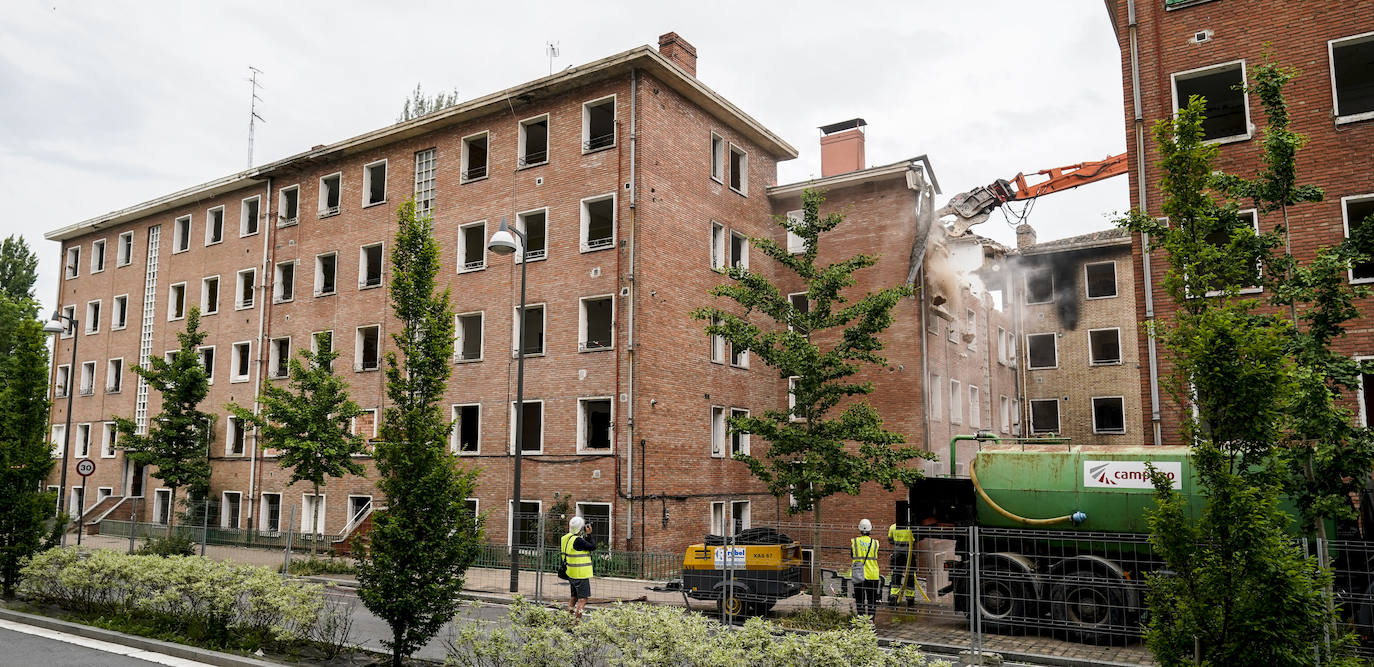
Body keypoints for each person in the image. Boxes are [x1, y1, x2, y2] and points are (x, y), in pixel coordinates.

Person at [561, 515, 597, 621]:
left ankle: (568, 620)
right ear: (580, 529)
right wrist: (589, 534)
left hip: (570, 572)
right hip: (580, 573)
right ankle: (576, 624)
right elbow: (592, 546)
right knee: (583, 600)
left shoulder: (565, 538)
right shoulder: (578, 541)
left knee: (573, 597)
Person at [851, 518, 880, 618]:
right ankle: (871, 621)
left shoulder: (855, 542)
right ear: (870, 530)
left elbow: (852, 555)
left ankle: (861, 620)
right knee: (872, 600)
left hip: (859, 574)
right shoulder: (876, 543)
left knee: (860, 600)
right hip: (873, 574)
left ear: (859, 529)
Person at [888, 521, 916, 606]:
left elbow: (890, 540)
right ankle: (910, 599)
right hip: (909, 554)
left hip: (897, 554)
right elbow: (915, 539)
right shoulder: (912, 528)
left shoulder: (892, 527)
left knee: (896, 575)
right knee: (910, 576)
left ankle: (894, 597)